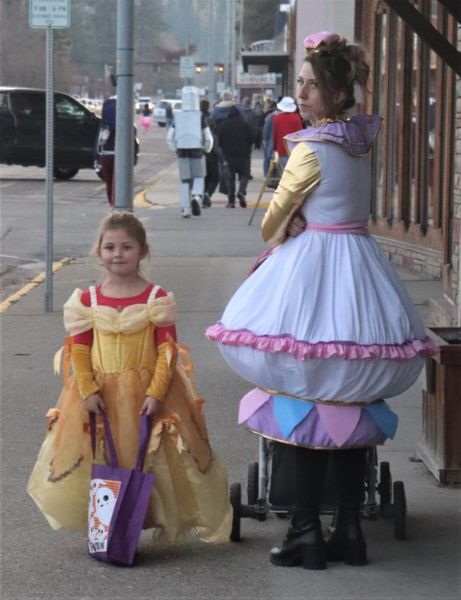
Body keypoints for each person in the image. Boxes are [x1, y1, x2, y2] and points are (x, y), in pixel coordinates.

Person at [206, 31, 437, 569]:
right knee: (349, 404)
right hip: (361, 267)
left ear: (336, 91)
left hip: (313, 275)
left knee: (306, 399)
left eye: (311, 86)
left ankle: (305, 533)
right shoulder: (360, 139)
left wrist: (292, 222)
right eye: (301, 85)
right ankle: (349, 532)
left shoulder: (310, 147)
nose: (302, 94)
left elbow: (271, 224)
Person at [27, 212, 232, 547]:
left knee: (149, 457)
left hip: (148, 392)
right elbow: (79, 349)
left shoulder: (156, 299)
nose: (117, 253)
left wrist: (155, 393)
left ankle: (140, 519)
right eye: (109, 247)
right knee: (103, 455)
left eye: (126, 246)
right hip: (98, 392)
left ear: (142, 251)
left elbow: (167, 352)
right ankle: (108, 527)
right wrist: (88, 388)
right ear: (98, 251)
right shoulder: (87, 300)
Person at [167, 86, 213, 218]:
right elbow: (208, 136)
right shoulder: (200, 117)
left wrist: (175, 149)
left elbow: (170, 136)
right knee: (199, 177)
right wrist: (206, 149)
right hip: (197, 150)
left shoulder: (178, 117)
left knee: (184, 181)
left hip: (181, 151)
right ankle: (196, 197)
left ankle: (184, 209)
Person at [217, 106, 252, 208]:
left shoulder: (223, 125)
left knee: (230, 179)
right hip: (243, 155)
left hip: (229, 156)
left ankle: (231, 201)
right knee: (245, 175)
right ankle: (241, 191)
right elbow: (251, 138)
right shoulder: (244, 124)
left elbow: (219, 141)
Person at [272, 96, 304, 169]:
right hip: (294, 149)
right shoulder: (297, 118)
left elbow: (275, 135)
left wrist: (275, 149)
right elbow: (300, 135)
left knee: (283, 171)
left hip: (281, 148)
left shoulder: (277, 118)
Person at [200, 99, 220, 208]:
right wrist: (223, 160)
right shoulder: (210, 119)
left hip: (200, 154)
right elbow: (215, 147)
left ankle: (204, 196)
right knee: (215, 176)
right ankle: (207, 194)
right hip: (211, 154)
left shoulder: (197, 118)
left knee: (204, 178)